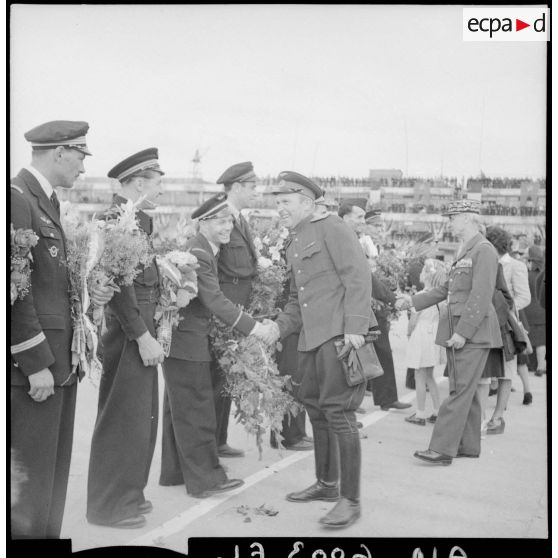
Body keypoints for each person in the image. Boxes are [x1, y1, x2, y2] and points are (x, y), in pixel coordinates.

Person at [11, 121, 113, 538]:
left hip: (60, 366)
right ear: (58, 153)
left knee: (51, 478)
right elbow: (12, 288)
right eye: (80, 157)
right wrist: (34, 361)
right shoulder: (17, 199)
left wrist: (91, 295)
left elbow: (50, 283)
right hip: (36, 369)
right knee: (29, 487)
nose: (83, 168)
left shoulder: (46, 202)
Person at [262, 172, 375, 528]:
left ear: (308, 203)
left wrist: (356, 327)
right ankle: (327, 484)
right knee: (316, 409)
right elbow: (299, 300)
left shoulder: (333, 228)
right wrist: (277, 327)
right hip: (312, 340)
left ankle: (350, 500)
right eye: (277, 202)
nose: (279, 209)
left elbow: (358, 275)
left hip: (340, 337)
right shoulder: (295, 241)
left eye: (286, 202)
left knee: (339, 414)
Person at [160, 193, 272, 497]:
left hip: (186, 341)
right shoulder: (199, 252)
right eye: (222, 222)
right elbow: (214, 299)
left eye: (230, 221)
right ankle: (206, 481)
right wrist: (255, 328)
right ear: (205, 222)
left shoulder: (205, 249)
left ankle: (174, 474)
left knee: (181, 410)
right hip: (188, 342)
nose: (228, 228)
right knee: (197, 411)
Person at [87, 148, 167, 529]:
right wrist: (142, 336)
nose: (162, 190)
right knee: (123, 419)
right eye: (158, 182)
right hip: (129, 333)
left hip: (143, 326)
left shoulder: (140, 219)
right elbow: (120, 285)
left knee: (140, 419)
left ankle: (130, 493)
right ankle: (109, 505)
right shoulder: (116, 218)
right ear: (138, 182)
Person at [397, 199, 502, 465]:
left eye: (453, 217)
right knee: (462, 388)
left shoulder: (483, 250)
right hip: (461, 330)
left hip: (472, 333)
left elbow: (480, 295)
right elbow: (447, 290)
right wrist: (413, 301)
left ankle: (442, 449)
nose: (450, 222)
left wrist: (464, 333)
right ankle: (467, 445)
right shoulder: (465, 250)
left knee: (459, 391)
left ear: (467, 218)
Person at [212, 162, 259, 458]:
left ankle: (219, 438)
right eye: (253, 187)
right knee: (218, 377)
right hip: (225, 310)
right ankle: (213, 442)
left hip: (238, 307)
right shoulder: (220, 217)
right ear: (238, 187)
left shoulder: (239, 218)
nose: (257, 192)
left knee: (227, 377)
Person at [349, 207, 411, 412]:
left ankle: (387, 398)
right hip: (361, 303)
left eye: (380, 225)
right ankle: (352, 401)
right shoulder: (356, 241)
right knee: (356, 352)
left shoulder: (375, 245)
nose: (379, 228)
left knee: (382, 350)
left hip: (377, 303)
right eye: (375, 225)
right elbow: (365, 276)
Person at [484, 225, 531, 431]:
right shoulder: (487, 261)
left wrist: (504, 310)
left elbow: (524, 297)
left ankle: (498, 416)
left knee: (506, 370)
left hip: (507, 325)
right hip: (489, 321)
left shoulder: (516, 265)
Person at [404, 259, 447, 426]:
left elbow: (414, 320)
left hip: (421, 334)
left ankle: (420, 413)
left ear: (427, 276)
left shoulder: (420, 296)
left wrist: (408, 333)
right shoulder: (440, 297)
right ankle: (437, 411)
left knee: (419, 376)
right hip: (434, 334)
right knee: (430, 376)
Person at [524, 245, 546, 377]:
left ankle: (529, 366)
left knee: (530, 341)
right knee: (541, 342)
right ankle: (541, 367)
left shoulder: (527, 275)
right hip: (542, 312)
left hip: (528, 313)